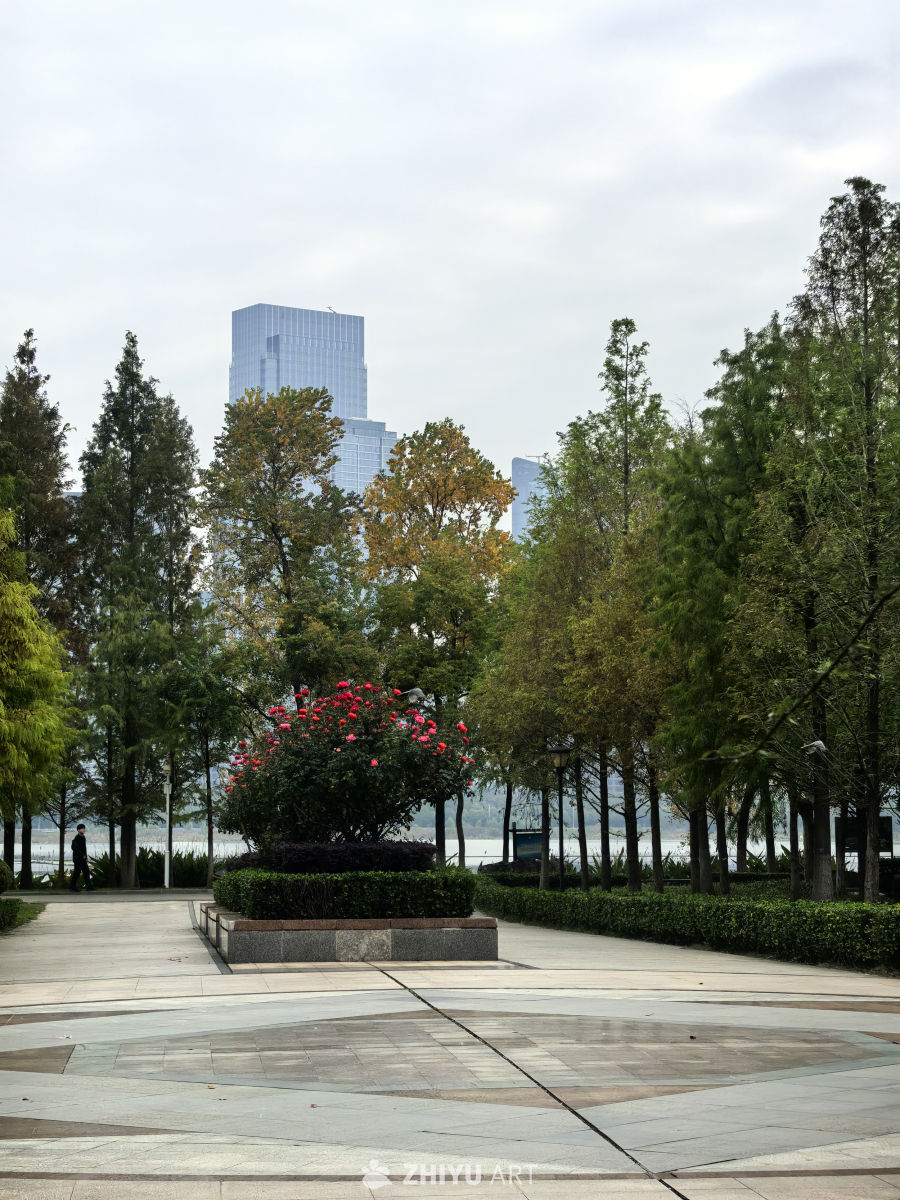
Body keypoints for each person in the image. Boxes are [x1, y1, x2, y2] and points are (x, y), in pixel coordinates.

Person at [70, 824, 93, 892]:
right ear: (78, 830)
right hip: (77, 859)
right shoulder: (76, 838)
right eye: (82, 829)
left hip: (83, 858)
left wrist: (85, 856)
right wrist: (82, 855)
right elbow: (74, 848)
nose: (84, 830)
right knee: (77, 872)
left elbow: (84, 848)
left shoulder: (83, 837)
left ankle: (88, 886)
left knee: (86, 871)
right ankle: (72, 886)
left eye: (84, 828)